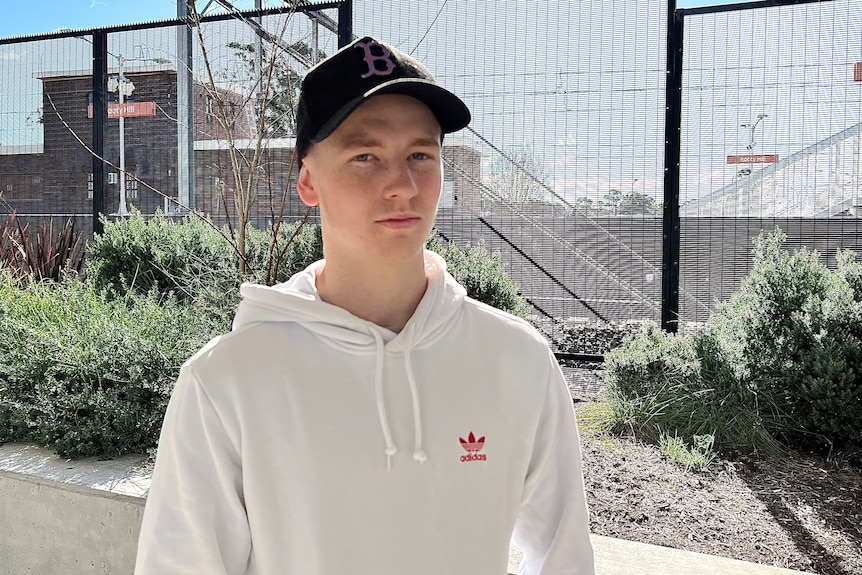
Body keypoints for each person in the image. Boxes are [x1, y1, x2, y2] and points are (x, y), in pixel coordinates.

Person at [135, 35, 594, 575]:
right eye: (365, 156)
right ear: (307, 180)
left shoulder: (517, 359)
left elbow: (564, 556)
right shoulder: (226, 382)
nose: (401, 185)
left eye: (420, 155)